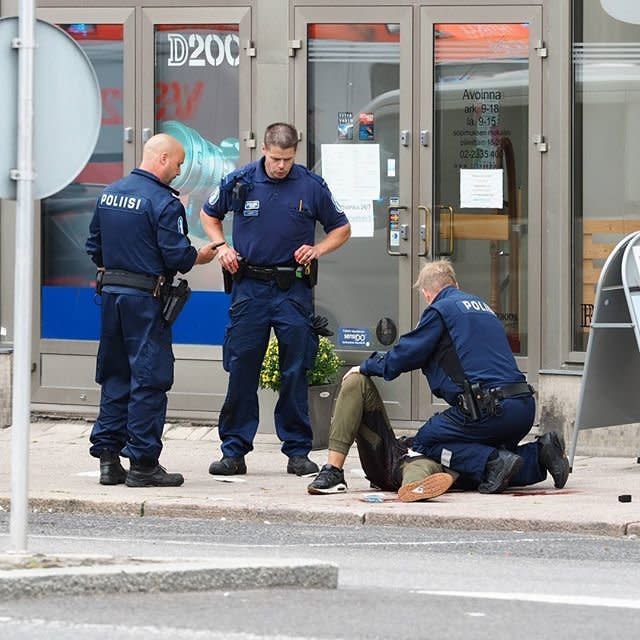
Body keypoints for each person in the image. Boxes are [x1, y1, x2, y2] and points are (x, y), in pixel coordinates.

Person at [310, 259, 569, 495]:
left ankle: (491, 461)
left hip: (489, 410)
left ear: (426, 294)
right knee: (492, 460)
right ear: (456, 284)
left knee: (427, 441)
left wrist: (367, 366)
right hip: (522, 407)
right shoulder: (483, 308)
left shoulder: (440, 310)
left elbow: (407, 353)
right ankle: (540, 453)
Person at [200, 122, 351, 477]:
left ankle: (298, 451)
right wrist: (222, 247)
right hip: (249, 286)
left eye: (288, 159)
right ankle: (233, 451)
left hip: (292, 289)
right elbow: (209, 215)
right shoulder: (240, 180)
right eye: (276, 158)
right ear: (264, 149)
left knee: (295, 369)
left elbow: (341, 229)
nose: (281, 165)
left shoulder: (311, 186)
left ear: (295, 153)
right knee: (241, 367)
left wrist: (317, 249)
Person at [86, 133, 220, 487]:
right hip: (145, 301)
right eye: (177, 164)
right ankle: (144, 464)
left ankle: (108, 460)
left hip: (111, 297)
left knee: (115, 375)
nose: (178, 172)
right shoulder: (164, 202)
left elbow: (93, 247)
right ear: (161, 158)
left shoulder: (109, 193)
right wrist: (200, 255)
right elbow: (177, 256)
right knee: (149, 378)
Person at [307, 370, 457, 502]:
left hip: (430, 464)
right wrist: (369, 366)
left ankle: (414, 488)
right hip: (394, 451)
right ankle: (333, 470)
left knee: (420, 467)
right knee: (356, 380)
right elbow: (407, 353)